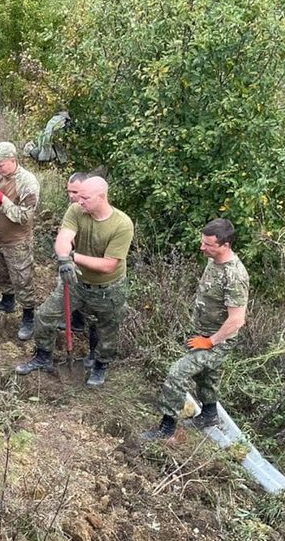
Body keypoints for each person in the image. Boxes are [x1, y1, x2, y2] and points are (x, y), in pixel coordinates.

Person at [15, 172, 133, 386]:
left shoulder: (122, 224)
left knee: (107, 329)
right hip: (76, 282)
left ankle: (100, 365)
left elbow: (109, 265)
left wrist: (73, 257)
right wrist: (63, 258)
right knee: (45, 315)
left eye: (85, 198)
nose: (79, 201)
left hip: (108, 289)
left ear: (102, 197)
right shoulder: (77, 211)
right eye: (79, 197)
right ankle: (43, 356)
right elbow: (64, 237)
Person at [144, 219, 250, 440]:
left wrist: (210, 342)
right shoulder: (214, 261)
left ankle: (166, 428)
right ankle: (210, 414)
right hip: (203, 332)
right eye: (203, 242)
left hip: (219, 340)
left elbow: (236, 320)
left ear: (225, 245)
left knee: (177, 372)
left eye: (208, 244)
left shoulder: (235, 276)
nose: (202, 247)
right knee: (206, 375)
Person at [0, 142, 41, 341]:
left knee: (22, 279)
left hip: (17, 240)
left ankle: (28, 316)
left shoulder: (27, 182)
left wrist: (4, 202)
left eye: (1, 164)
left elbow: (25, 217)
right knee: (0, 273)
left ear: (13, 160)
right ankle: (7, 301)